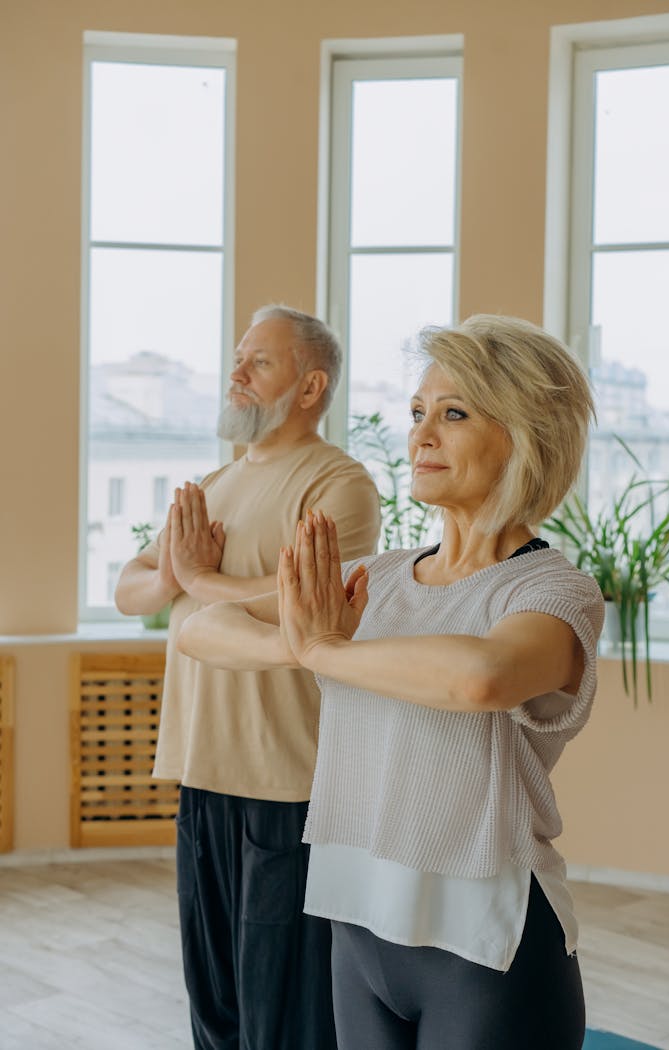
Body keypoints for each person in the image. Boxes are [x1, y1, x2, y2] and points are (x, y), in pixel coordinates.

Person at [178, 314, 605, 1050]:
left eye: (454, 413)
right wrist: (305, 646)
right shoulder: (373, 578)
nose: (421, 435)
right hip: (360, 926)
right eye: (417, 413)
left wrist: (322, 649)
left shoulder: (552, 592)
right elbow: (197, 627)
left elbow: (481, 678)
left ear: (528, 433)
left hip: (485, 944)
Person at [115, 304, 381, 1050]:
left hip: (287, 782)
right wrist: (180, 572)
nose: (236, 373)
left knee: (284, 1012)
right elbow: (132, 590)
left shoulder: (339, 485)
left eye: (259, 361)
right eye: (239, 357)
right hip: (202, 771)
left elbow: (303, 606)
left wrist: (195, 576)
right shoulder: (217, 481)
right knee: (216, 1002)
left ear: (309, 385)